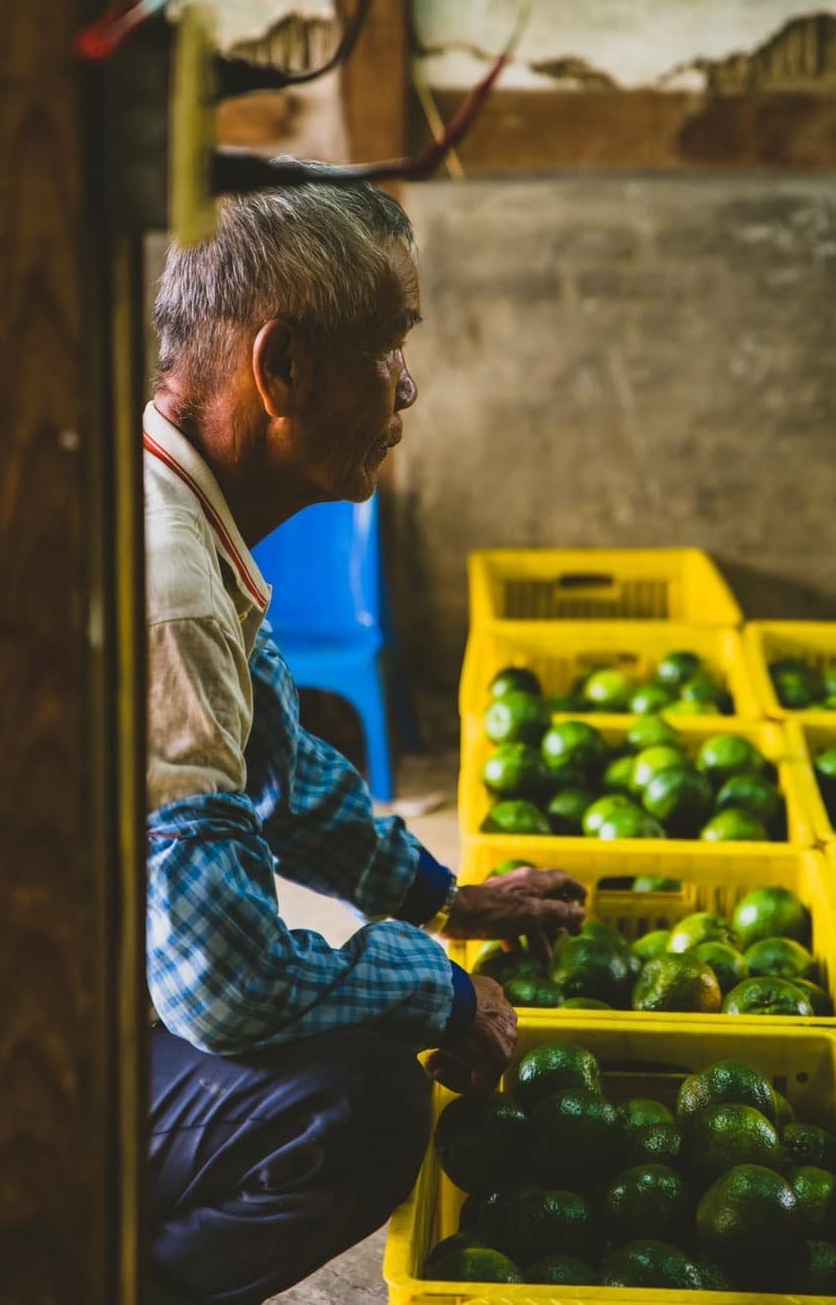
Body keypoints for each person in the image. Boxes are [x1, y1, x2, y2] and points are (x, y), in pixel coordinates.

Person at [144, 171, 585, 1305]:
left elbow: (286, 782)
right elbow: (226, 982)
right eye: (388, 345)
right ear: (280, 367)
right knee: (361, 1104)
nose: (409, 385)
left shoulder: (183, 506)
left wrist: (451, 898)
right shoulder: (172, 587)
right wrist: (434, 989)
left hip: (78, 978)